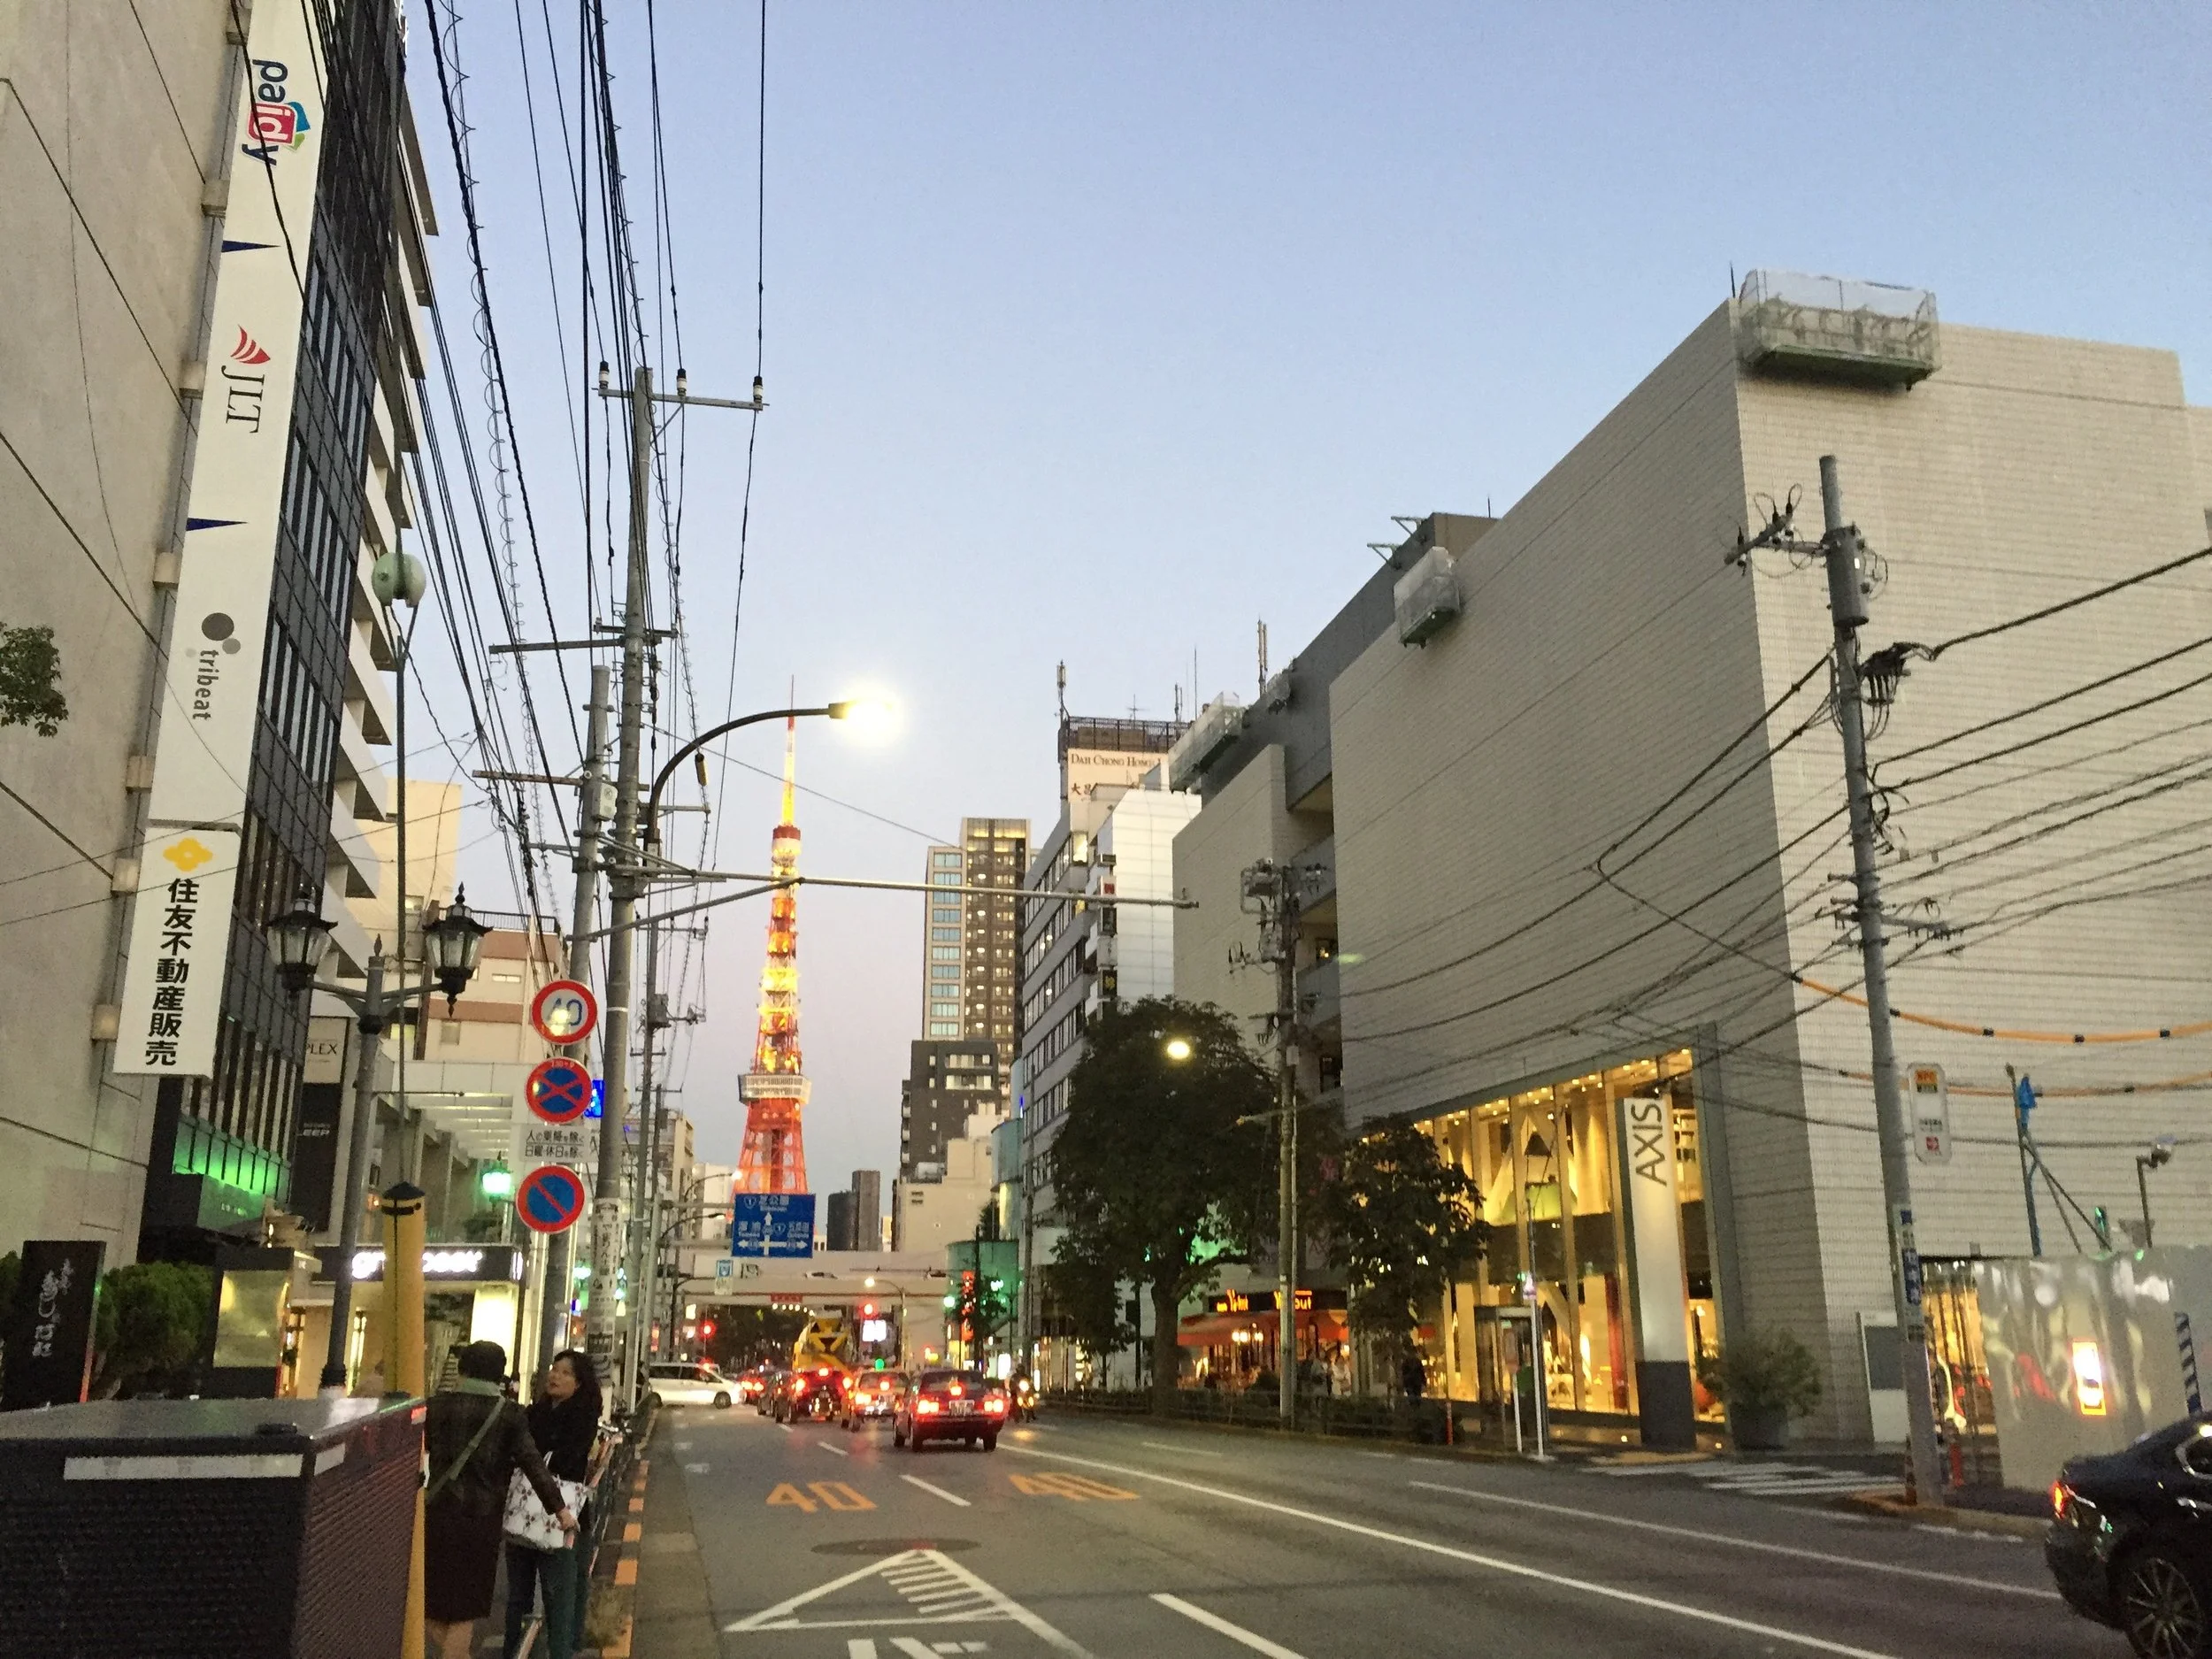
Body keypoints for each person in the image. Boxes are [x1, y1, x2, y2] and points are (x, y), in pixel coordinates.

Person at [424, 1340, 572, 1659]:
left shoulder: (435, 1407)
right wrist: (560, 1510)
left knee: (432, 1602)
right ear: (500, 1375)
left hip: (436, 1514)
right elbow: (534, 1465)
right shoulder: (508, 1414)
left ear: (462, 1369)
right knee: (464, 1608)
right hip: (481, 1521)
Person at [503, 1350, 602, 1659]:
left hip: (564, 1518)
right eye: (553, 1369)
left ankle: (561, 1650)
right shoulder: (535, 1412)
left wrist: (535, 1457)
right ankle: (513, 1650)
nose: (555, 1376)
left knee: (559, 1593)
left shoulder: (583, 1417)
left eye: (565, 1373)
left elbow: (567, 1459)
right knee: (517, 1595)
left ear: (580, 1383)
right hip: (526, 1514)